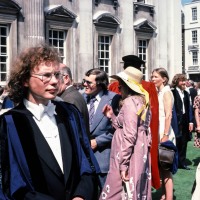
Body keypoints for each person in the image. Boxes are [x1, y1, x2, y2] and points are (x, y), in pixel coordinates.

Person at [0, 45, 100, 200]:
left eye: (56, 75)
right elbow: (12, 182)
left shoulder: (70, 114)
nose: (54, 81)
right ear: (25, 80)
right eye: (46, 75)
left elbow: (86, 163)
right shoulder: (10, 123)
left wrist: (81, 195)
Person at [108, 55, 160, 190]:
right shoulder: (146, 89)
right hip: (138, 139)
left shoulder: (117, 88)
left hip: (128, 141)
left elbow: (131, 129)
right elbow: (152, 118)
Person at [100, 66, 151, 199]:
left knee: (117, 191)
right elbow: (133, 128)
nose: (118, 88)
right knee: (135, 189)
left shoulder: (129, 103)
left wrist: (124, 164)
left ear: (128, 86)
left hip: (127, 153)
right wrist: (111, 115)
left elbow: (130, 135)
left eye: (120, 86)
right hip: (139, 151)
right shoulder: (143, 101)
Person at [82, 68, 121, 191]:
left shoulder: (114, 99)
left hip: (104, 156)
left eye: (89, 82)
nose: (85, 84)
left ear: (100, 84)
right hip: (84, 158)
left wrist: (97, 141)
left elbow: (119, 128)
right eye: (84, 81)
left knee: (107, 193)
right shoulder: (81, 97)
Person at [151, 68, 176, 200]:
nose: (152, 79)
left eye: (155, 77)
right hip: (158, 131)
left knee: (165, 167)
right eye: (152, 76)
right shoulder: (159, 92)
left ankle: (169, 197)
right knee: (161, 167)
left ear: (164, 79)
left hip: (164, 133)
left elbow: (168, 115)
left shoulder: (166, 92)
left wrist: (165, 135)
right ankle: (164, 194)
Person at [58, 63, 90, 137]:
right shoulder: (70, 96)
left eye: (56, 76)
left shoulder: (69, 100)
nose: (52, 80)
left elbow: (72, 134)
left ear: (66, 78)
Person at [171, 74, 193, 170]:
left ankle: (182, 162)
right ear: (176, 82)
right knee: (175, 141)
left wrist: (191, 122)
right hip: (175, 120)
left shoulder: (186, 93)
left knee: (184, 142)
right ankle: (173, 162)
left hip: (185, 120)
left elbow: (189, 109)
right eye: (181, 81)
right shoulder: (172, 93)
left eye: (184, 80)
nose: (184, 82)